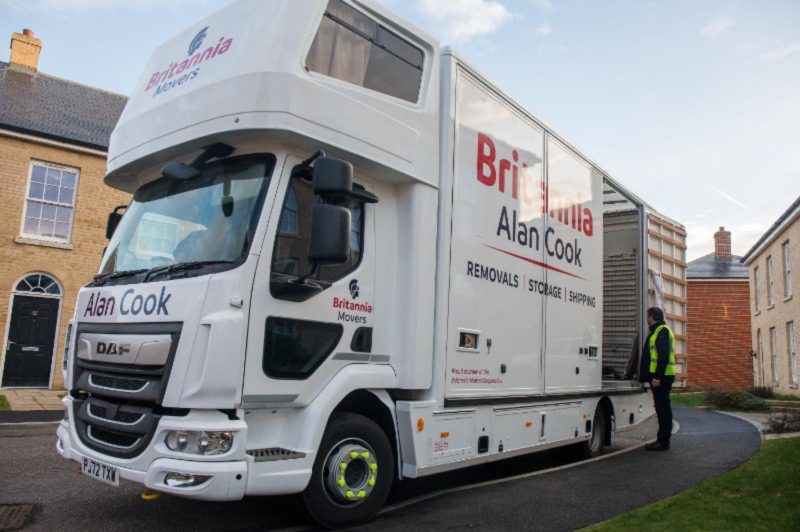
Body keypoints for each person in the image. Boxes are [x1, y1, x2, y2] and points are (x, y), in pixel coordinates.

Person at [641, 306, 676, 451]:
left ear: (651, 317)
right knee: (662, 409)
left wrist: (657, 376)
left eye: (647, 316)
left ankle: (663, 441)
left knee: (663, 410)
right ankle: (662, 440)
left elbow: (663, 356)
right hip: (662, 377)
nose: (646, 318)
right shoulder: (658, 331)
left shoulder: (662, 331)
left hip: (662, 378)